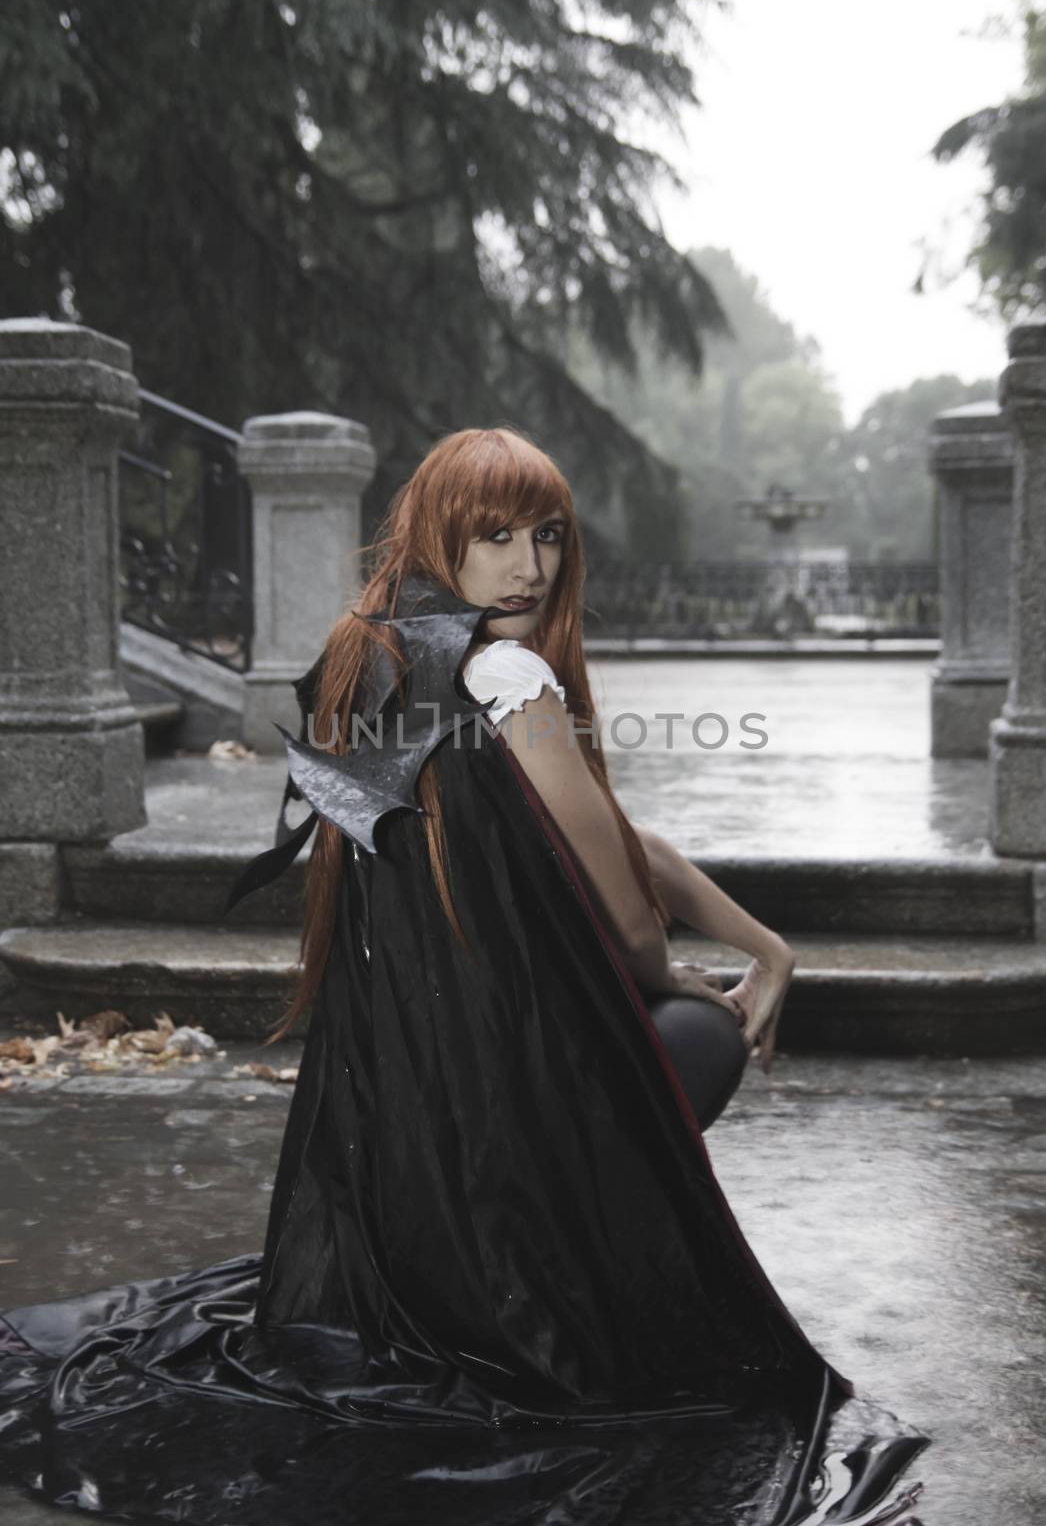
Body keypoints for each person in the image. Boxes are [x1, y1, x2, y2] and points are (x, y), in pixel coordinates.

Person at [0, 427, 928, 1525]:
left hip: (399, 1146)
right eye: (494, 536)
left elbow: (615, 845)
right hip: (503, 1128)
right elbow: (627, 907)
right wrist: (682, 981)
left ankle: (519, 1252)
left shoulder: (368, 655)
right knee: (704, 1036)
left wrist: (764, 942)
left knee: (647, 1016)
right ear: (442, 534)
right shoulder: (512, 669)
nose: (528, 565)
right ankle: (562, 1266)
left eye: (545, 535)